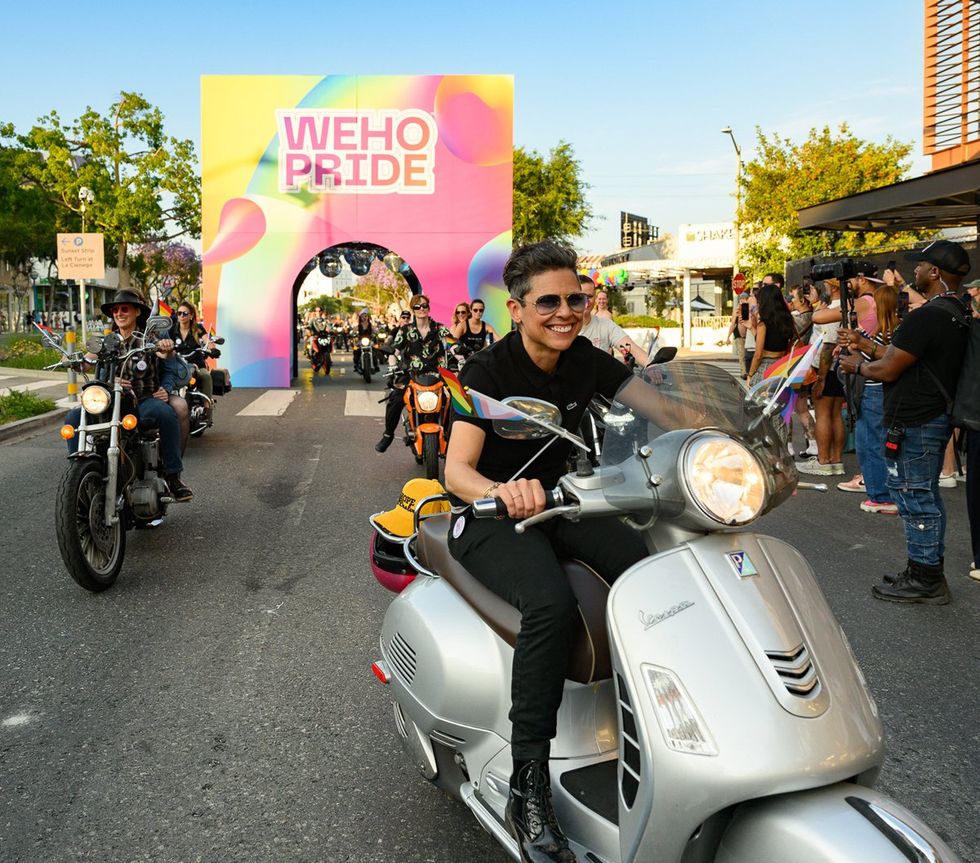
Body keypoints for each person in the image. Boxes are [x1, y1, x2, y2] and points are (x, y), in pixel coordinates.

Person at [444, 241, 648, 863]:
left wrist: (723, 420)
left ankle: (661, 724)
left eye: (574, 299)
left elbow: (659, 405)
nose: (565, 312)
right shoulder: (486, 372)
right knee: (551, 605)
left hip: (563, 502)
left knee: (652, 573)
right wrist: (502, 492)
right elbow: (457, 472)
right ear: (517, 309)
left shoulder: (584, 358)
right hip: (490, 514)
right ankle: (527, 783)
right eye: (549, 302)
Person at [838, 239, 972, 603]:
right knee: (922, 494)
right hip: (930, 415)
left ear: (935, 272)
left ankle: (925, 579)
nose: (915, 270)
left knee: (914, 496)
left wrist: (858, 366)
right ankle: (924, 571)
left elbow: (889, 368)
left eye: (921, 265)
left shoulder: (928, 315)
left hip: (917, 419)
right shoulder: (956, 310)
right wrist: (867, 346)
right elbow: (905, 357)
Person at [63, 289, 192, 502]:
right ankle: (77, 475)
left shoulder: (149, 338)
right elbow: (87, 360)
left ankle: (173, 476)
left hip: (143, 399)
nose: (119, 313)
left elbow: (164, 355)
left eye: (125, 309)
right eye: (115, 310)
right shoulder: (107, 341)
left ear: (137, 312)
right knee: (73, 418)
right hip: (111, 402)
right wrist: (73, 361)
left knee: (166, 414)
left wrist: (167, 350)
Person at [375, 294, 451, 452]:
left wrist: (463, 357)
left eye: (424, 306)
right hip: (411, 375)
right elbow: (394, 351)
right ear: (413, 309)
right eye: (417, 306)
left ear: (429, 308)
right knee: (395, 398)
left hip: (438, 375)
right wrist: (392, 366)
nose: (421, 309)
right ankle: (388, 435)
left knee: (455, 400)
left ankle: (453, 436)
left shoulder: (440, 328)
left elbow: (453, 346)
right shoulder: (405, 330)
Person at [796, 279, 845, 476]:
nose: (821, 288)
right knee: (835, 414)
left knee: (824, 413)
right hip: (838, 367)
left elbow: (828, 345)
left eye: (824, 284)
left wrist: (821, 379)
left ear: (833, 286)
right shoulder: (842, 307)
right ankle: (835, 460)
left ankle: (824, 460)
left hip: (826, 368)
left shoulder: (833, 310)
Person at [577, 275, 649, 366]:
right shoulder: (564, 328)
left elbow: (633, 350)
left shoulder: (606, 325)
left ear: (595, 297)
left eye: (589, 296)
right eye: (581, 297)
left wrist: (652, 366)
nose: (586, 302)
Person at [746, 282, 795, 386]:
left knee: (761, 396)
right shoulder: (787, 320)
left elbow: (758, 355)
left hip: (766, 367)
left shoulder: (764, 323)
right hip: (782, 366)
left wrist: (750, 375)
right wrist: (751, 327)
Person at [171, 301, 213, 402]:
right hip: (178, 365)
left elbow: (208, 341)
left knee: (206, 376)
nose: (182, 316)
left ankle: (207, 404)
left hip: (196, 365)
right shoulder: (172, 330)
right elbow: (164, 342)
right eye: (179, 313)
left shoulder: (197, 329)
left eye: (185, 313)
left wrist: (212, 349)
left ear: (191, 315)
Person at [352, 309, 378, 374]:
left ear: (368, 317)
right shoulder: (358, 325)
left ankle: (376, 365)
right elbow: (354, 331)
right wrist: (353, 333)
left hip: (369, 341)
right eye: (362, 316)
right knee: (356, 349)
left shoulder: (370, 325)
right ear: (360, 318)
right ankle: (356, 364)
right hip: (361, 341)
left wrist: (377, 332)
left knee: (375, 349)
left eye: (365, 316)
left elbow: (375, 330)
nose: (364, 318)